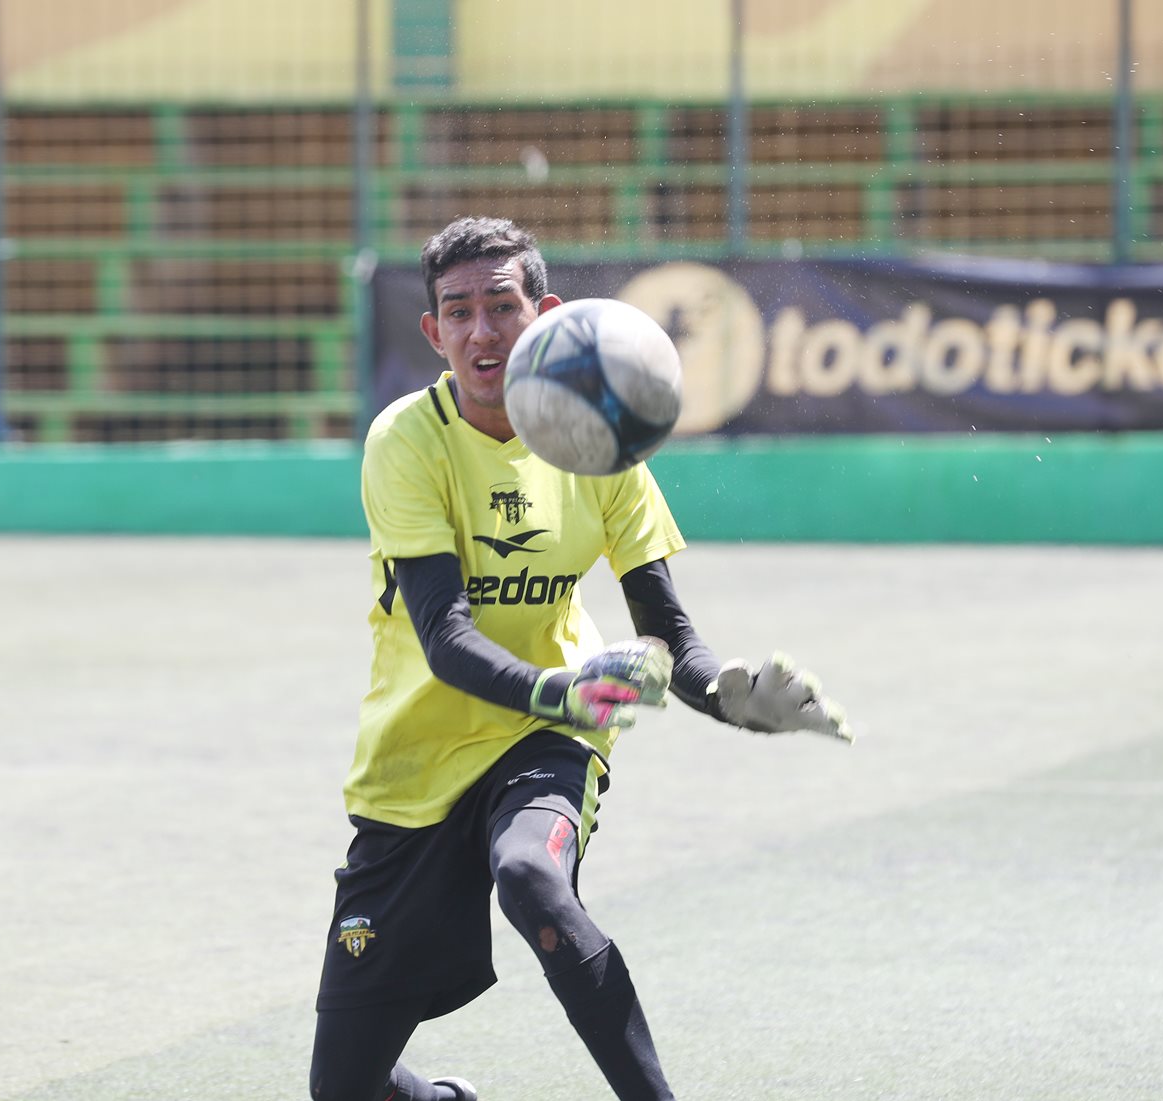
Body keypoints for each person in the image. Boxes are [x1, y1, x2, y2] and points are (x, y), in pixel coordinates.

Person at [309, 215, 851, 1101]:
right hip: (416, 763)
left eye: (502, 305)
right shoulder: (405, 440)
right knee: (344, 1091)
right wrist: (565, 688)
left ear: (546, 313)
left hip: (546, 738)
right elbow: (446, 638)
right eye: (458, 311)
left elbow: (668, 637)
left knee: (530, 875)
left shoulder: (602, 443)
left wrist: (726, 691)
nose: (482, 331)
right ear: (432, 330)